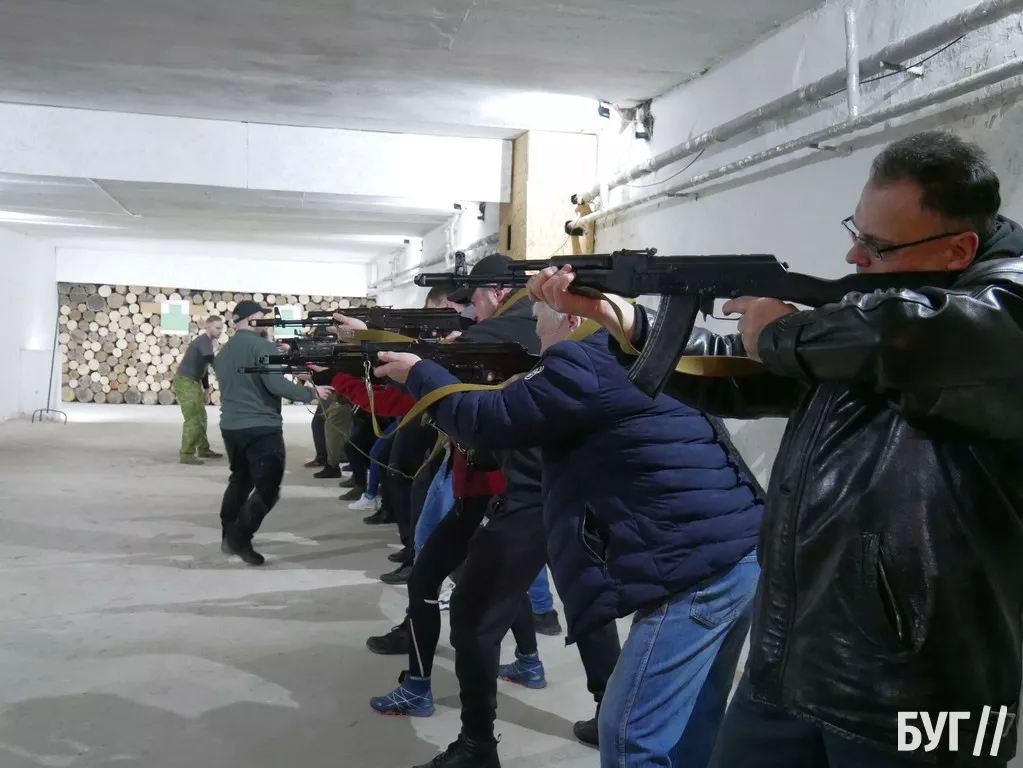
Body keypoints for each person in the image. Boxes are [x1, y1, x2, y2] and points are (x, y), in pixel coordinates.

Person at [530, 130, 1023, 767]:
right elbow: (744, 376)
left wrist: (779, 330)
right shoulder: (867, 319)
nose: (853, 254)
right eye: (857, 231)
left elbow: (905, 340)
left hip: (932, 690)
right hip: (793, 658)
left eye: (875, 246)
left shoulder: (998, 311)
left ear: (958, 248)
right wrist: (623, 319)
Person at [376, 298, 763, 768]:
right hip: (736, 548)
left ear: (575, 320)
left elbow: (486, 421)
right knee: (695, 716)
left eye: (542, 328)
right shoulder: (635, 350)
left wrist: (419, 373)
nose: (540, 342)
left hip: (694, 566)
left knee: (630, 736)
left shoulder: (581, 359)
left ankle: (481, 740)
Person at [363, 254, 548, 768]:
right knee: (467, 595)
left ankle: (463, 726)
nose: (467, 311)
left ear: (497, 294)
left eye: (472, 301)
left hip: (500, 498)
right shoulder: (502, 345)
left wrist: (422, 369)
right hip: (489, 497)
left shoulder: (512, 343)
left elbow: (473, 416)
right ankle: (514, 669)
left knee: (473, 614)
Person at [213, 300, 332, 566]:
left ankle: (228, 533)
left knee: (240, 481)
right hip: (261, 427)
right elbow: (276, 385)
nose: (266, 321)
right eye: (262, 316)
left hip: (231, 426)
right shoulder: (262, 346)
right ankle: (240, 537)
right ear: (250, 318)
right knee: (268, 488)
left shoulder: (224, 351)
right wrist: (312, 392)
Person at [172, 315, 224, 465]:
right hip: (186, 382)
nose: (220, 331)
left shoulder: (208, 342)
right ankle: (186, 454)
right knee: (193, 419)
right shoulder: (203, 342)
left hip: (193, 382)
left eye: (221, 328)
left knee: (201, 417)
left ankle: (203, 449)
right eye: (217, 328)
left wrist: (206, 389)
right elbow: (212, 361)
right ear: (208, 326)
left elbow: (204, 368)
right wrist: (226, 375)